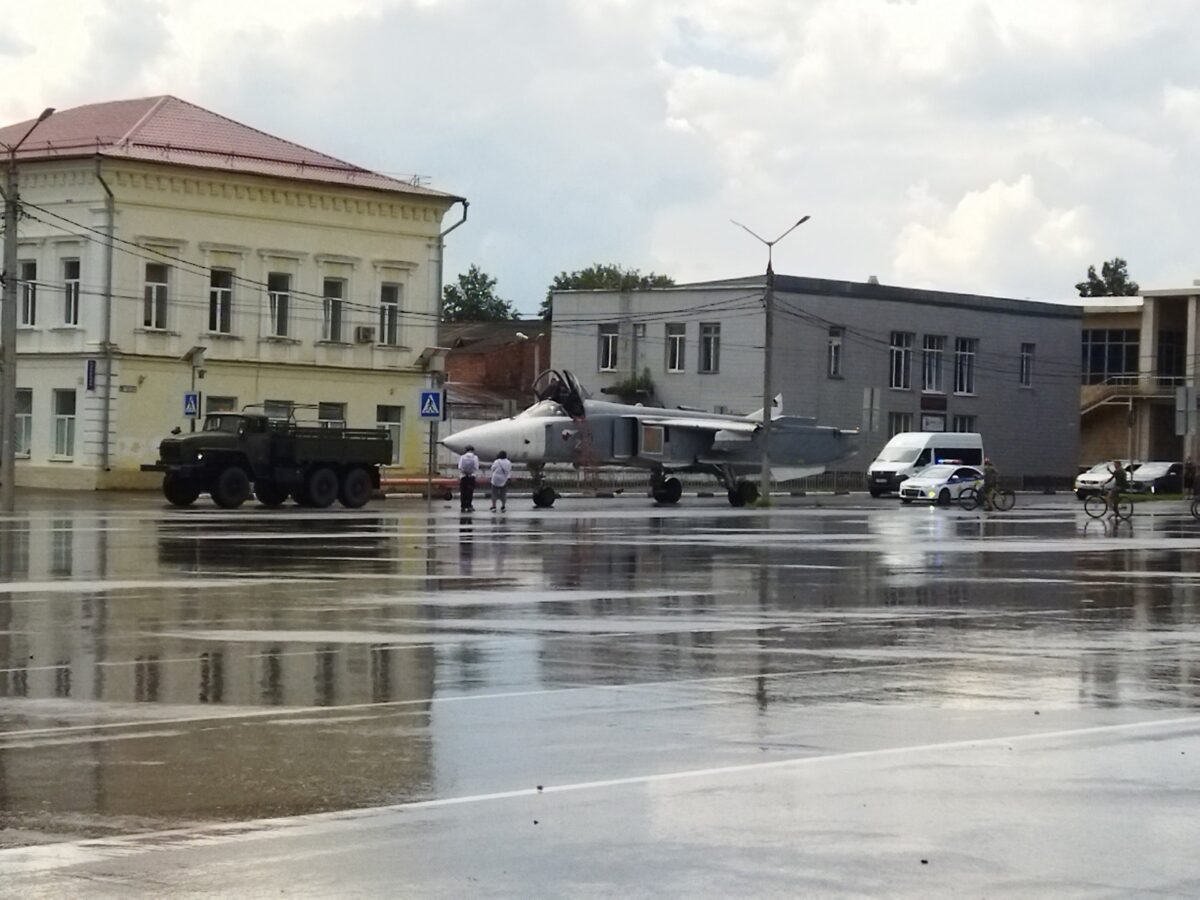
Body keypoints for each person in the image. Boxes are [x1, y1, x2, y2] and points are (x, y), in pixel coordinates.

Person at [458, 445, 479, 512]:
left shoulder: (462, 457)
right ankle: (469, 506)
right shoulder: (475, 457)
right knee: (470, 492)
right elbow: (476, 467)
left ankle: (463, 506)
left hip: (463, 476)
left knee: (463, 492)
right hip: (471, 476)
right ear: (472, 450)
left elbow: (460, 467)